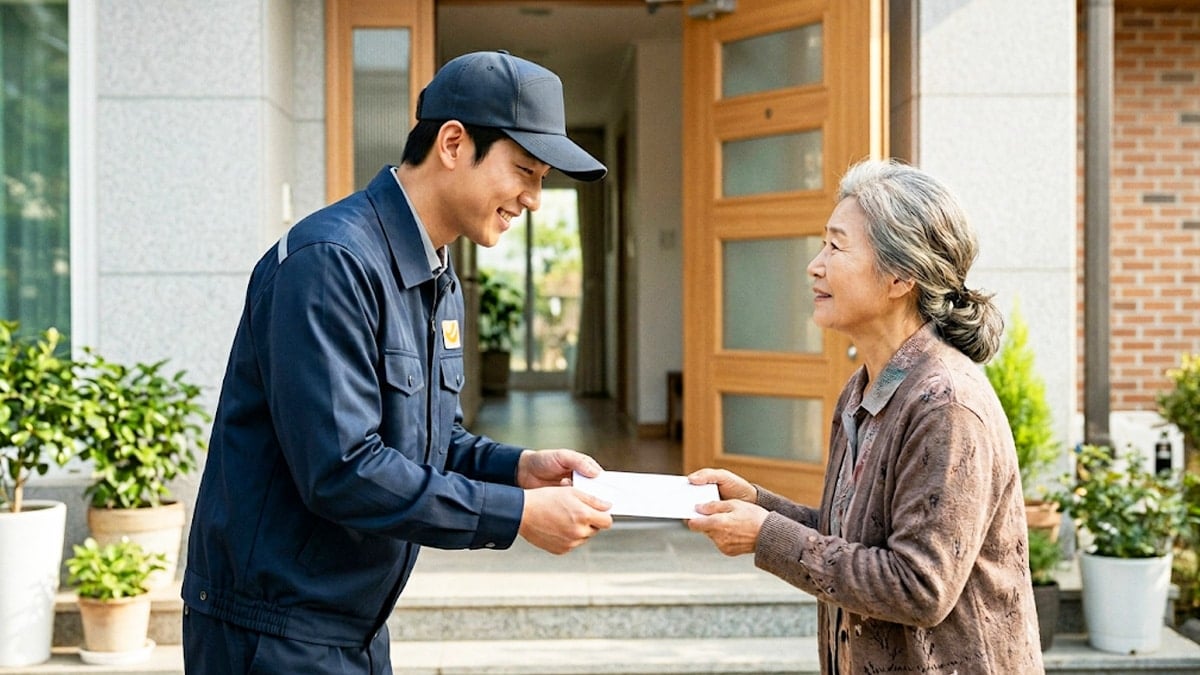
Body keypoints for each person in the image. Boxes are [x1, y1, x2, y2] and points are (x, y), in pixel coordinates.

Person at [181, 51, 614, 674]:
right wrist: (516, 516)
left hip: (353, 627)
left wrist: (519, 469)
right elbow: (343, 469)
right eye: (525, 170)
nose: (535, 199)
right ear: (453, 143)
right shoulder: (331, 262)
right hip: (273, 635)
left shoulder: (437, 276)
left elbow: (430, 441)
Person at [687, 159, 1045, 673]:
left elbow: (919, 585)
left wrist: (766, 536)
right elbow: (856, 539)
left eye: (836, 247)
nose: (815, 266)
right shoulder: (864, 389)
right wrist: (759, 505)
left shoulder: (945, 404)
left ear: (901, 275)